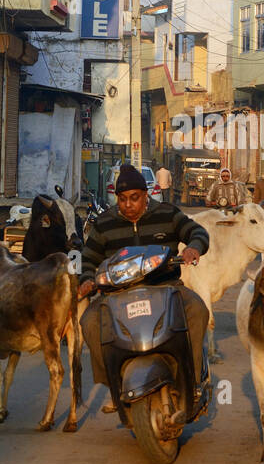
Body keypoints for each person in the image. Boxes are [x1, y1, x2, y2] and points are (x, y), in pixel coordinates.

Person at [79, 164, 210, 413]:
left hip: (166, 288)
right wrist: (86, 280)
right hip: (118, 295)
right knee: (90, 322)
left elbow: (197, 231)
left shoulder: (167, 214)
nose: (128, 205)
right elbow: (88, 259)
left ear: (146, 195)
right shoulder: (104, 223)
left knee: (197, 310)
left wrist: (193, 247)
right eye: (122, 199)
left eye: (134, 198)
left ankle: (191, 381)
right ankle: (114, 385)